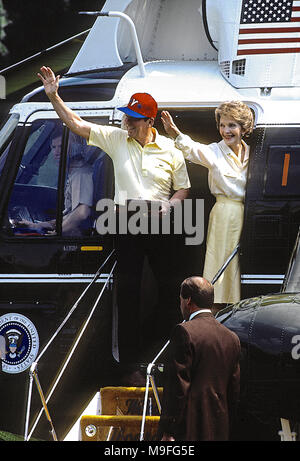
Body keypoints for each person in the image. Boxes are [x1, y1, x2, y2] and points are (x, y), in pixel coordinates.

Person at [37, 66, 191, 383]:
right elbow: (77, 125)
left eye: (133, 119)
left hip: (161, 222)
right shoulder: (117, 138)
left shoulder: (172, 150)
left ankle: (166, 356)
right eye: (125, 117)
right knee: (128, 293)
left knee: (168, 290)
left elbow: (184, 187)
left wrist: (173, 205)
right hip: (127, 219)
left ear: (150, 121)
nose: (126, 122)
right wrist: (54, 96)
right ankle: (130, 365)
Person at [161, 102, 254, 309]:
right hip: (224, 213)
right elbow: (193, 149)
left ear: (243, 128)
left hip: (248, 214)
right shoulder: (215, 151)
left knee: (241, 265)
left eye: (232, 126)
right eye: (222, 125)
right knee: (221, 264)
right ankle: (217, 309)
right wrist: (175, 133)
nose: (226, 131)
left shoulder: (252, 153)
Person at [158, 276, 241, 441]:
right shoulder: (232, 338)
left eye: (181, 299)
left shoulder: (184, 332)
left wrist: (168, 429)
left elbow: (178, 386)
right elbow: (234, 391)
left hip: (188, 429)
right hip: (220, 428)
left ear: (188, 301)